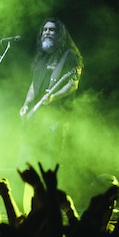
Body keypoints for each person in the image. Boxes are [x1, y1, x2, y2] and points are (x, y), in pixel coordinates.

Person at [18, 17, 83, 173]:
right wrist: (26, 104)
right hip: (36, 118)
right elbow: (33, 85)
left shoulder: (69, 56)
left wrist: (54, 97)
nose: (47, 32)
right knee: (26, 159)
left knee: (50, 162)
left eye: (52, 30)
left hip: (56, 118)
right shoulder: (41, 59)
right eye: (45, 30)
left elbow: (73, 84)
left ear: (60, 34)